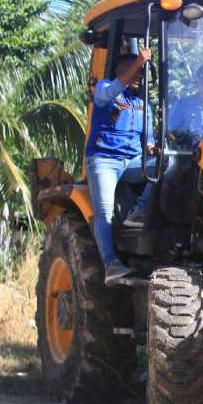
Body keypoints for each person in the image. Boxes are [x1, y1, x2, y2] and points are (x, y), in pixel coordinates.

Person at [84, 49, 156, 285]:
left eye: (140, 73)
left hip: (133, 161)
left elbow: (149, 137)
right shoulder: (105, 90)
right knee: (104, 211)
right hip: (104, 160)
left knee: (170, 165)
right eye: (133, 72)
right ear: (120, 72)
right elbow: (114, 89)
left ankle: (138, 212)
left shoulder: (143, 103)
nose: (137, 76)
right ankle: (111, 264)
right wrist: (139, 61)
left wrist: (152, 146)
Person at [167, 63, 203, 149]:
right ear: (198, 81)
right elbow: (171, 131)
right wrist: (188, 136)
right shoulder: (183, 104)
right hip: (187, 155)